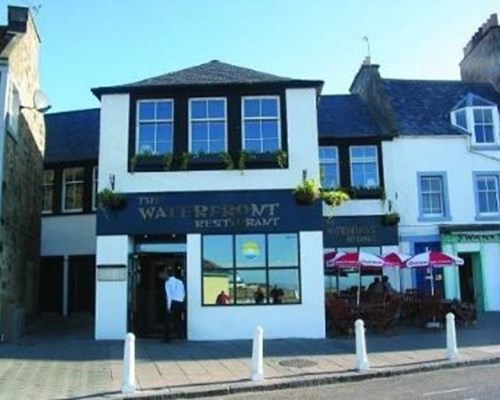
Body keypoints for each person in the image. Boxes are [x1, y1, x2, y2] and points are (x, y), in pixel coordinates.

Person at [163, 268, 185, 342]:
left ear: (167, 274)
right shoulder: (180, 281)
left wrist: (168, 306)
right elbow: (183, 293)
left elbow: (169, 295)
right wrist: (182, 301)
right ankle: (180, 335)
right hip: (180, 302)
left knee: (168, 321)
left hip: (173, 303)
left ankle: (167, 338)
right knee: (178, 319)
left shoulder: (167, 283)